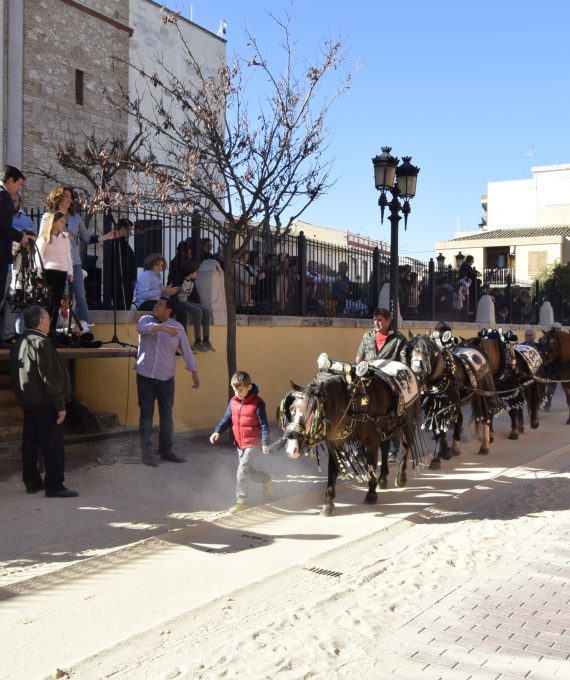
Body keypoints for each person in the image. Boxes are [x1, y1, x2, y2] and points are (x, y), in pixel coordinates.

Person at [9, 305, 77, 497]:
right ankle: (54, 485)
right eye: (47, 319)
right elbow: (51, 378)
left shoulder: (19, 342)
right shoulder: (41, 342)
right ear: (41, 322)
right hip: (45, 402)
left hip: (28, 401)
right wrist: (61, 405)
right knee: (52, 444)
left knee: (30, 443)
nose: (49, 323)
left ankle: (32, 482)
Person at [135, 298, 200, 466]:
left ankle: (166, 451)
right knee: (146, 414)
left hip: (166, 378)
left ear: (168, 310)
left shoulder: (178, 328)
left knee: (166, 416)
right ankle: (146, 453)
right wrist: (163, 328)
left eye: (160, 305)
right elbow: (143, 330)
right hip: (145, 376)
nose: (156, 306)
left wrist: (194, 372)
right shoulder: (145, 320)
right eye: (156, 305)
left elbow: (186, 350)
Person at [41, 185, 116, 324]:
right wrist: (60, 234)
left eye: (71, 197)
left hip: (74, 262)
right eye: (66, 196)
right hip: (54, 265)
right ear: (58, 197)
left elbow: (87, 238)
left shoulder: (75, 218)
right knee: (57, 298)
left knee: (81, 297)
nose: (69, 199)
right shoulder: (48, 216)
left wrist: (106, 237)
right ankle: (54, 329)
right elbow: (43, 238)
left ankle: (85, 330)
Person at [209, 370, 271, 514]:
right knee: (247, 472)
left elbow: (264, 425)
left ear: (249, 387)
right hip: (239, 443)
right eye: (235, 390)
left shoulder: (258, 403)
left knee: (241, 470)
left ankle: (241, 501)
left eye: (240, 390)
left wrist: (265, 442)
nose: (237, 393)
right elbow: (226, 419)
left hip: (253, 443)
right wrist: (217, 431)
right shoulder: (233, 402)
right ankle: (266, 478)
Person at [355, 307, 407, 462]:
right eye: (375, 319)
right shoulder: (367, 337)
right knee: (359, 410)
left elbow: (404, 364)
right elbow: (358, 359)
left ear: (388, 321)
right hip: (368, 379)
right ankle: (360, 447)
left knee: (394, 412)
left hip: (387, 381)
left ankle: (394, 449)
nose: (376, 323)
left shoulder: (399, 339)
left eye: (380, 320)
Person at [0, 166, 32, 343]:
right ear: (10, 180)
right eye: (18, 184)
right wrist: (20, 236)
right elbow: (2, 226)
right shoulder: (3, 196)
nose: (18, 188)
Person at [36, 211, 73, 333]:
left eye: (65, 222)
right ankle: (43, 330)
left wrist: (70, 272)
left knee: (57, 303)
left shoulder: (64, 239)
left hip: (61, 274)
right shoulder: (44, 238)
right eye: (61, 222)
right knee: (47, 303)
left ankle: (52, 332)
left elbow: (68, 256)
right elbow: (38, 257)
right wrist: (38, 276)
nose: (64, 224)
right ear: (54, 222)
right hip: (49, 273)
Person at [171, 260, 215, 352]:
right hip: (179, 301)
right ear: (190, 272)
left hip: (187, 301)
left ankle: (206, 339)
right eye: (196, 271)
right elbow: (173, 295)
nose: (197, 273)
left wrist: (198, 305)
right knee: (197, 312)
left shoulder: (192, 281)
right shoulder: (179, 279)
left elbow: (195, 296)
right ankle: (197, 341)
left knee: (206, 310)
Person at [112, 218, 136, 311]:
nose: (130, 232)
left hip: (126, 279)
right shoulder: (117, 243)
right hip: (122, 280)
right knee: (122, 305)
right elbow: (124, 263)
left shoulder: (123, 243)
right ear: (122, 228)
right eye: (129, 229)